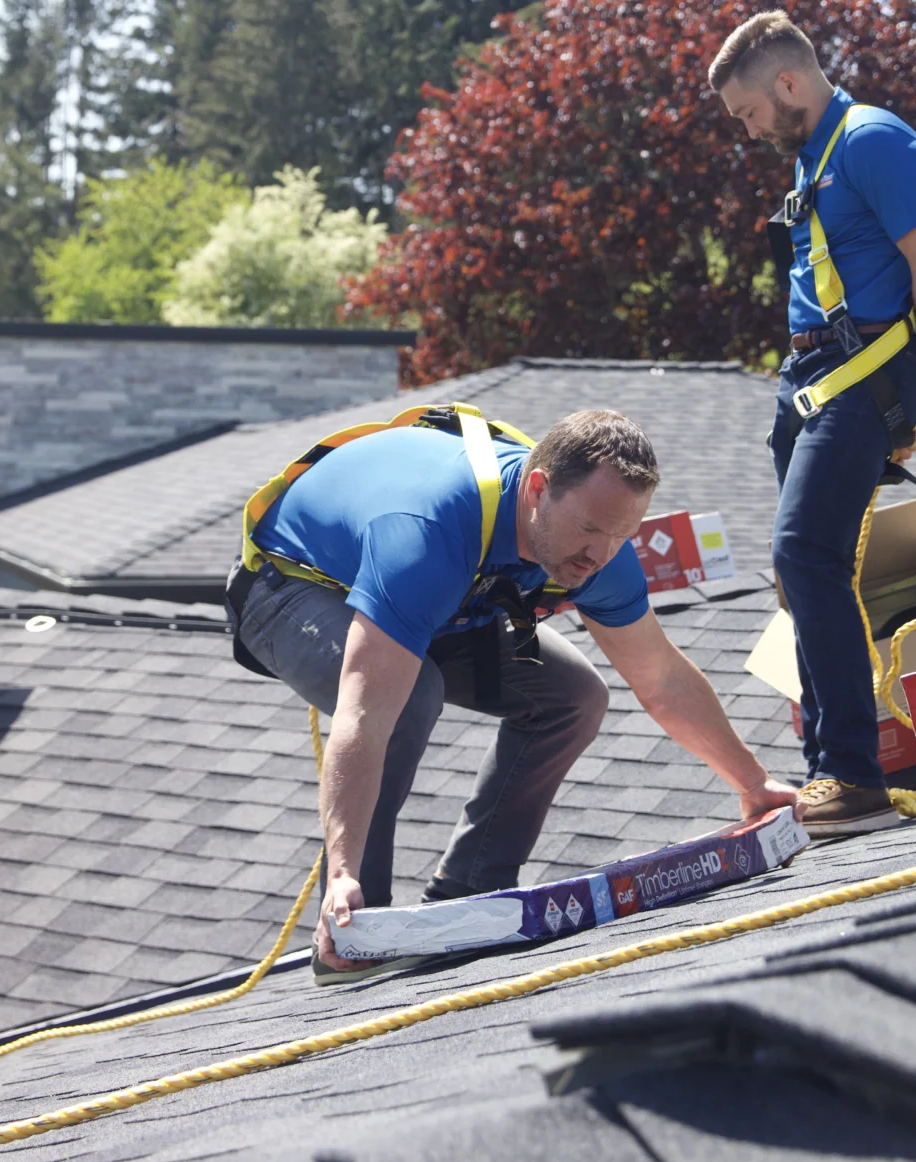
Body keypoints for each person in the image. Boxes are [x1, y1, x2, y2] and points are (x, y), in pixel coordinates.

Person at [227, 406, 797, 981]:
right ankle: (354, 930)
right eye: (590, 530)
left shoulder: (599, 551)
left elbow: (662, 678)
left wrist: (754, 783)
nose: (599, 556)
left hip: (450, 602)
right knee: (409, 696)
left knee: (574, 696)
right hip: (292, 586)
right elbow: (365, 716)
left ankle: (472, 890)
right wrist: (343, 869)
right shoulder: (426, 534)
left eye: (623, 534)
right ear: (538, 489)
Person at [707, 11, 916, 837]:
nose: (748, 131)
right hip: (813, 382)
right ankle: (831, 759)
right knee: (802, 572)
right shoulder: (814, 156)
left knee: (804, 553)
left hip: (861, 376)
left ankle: (851, 773)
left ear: (788, 83)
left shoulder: (872, 141)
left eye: (748, 112)